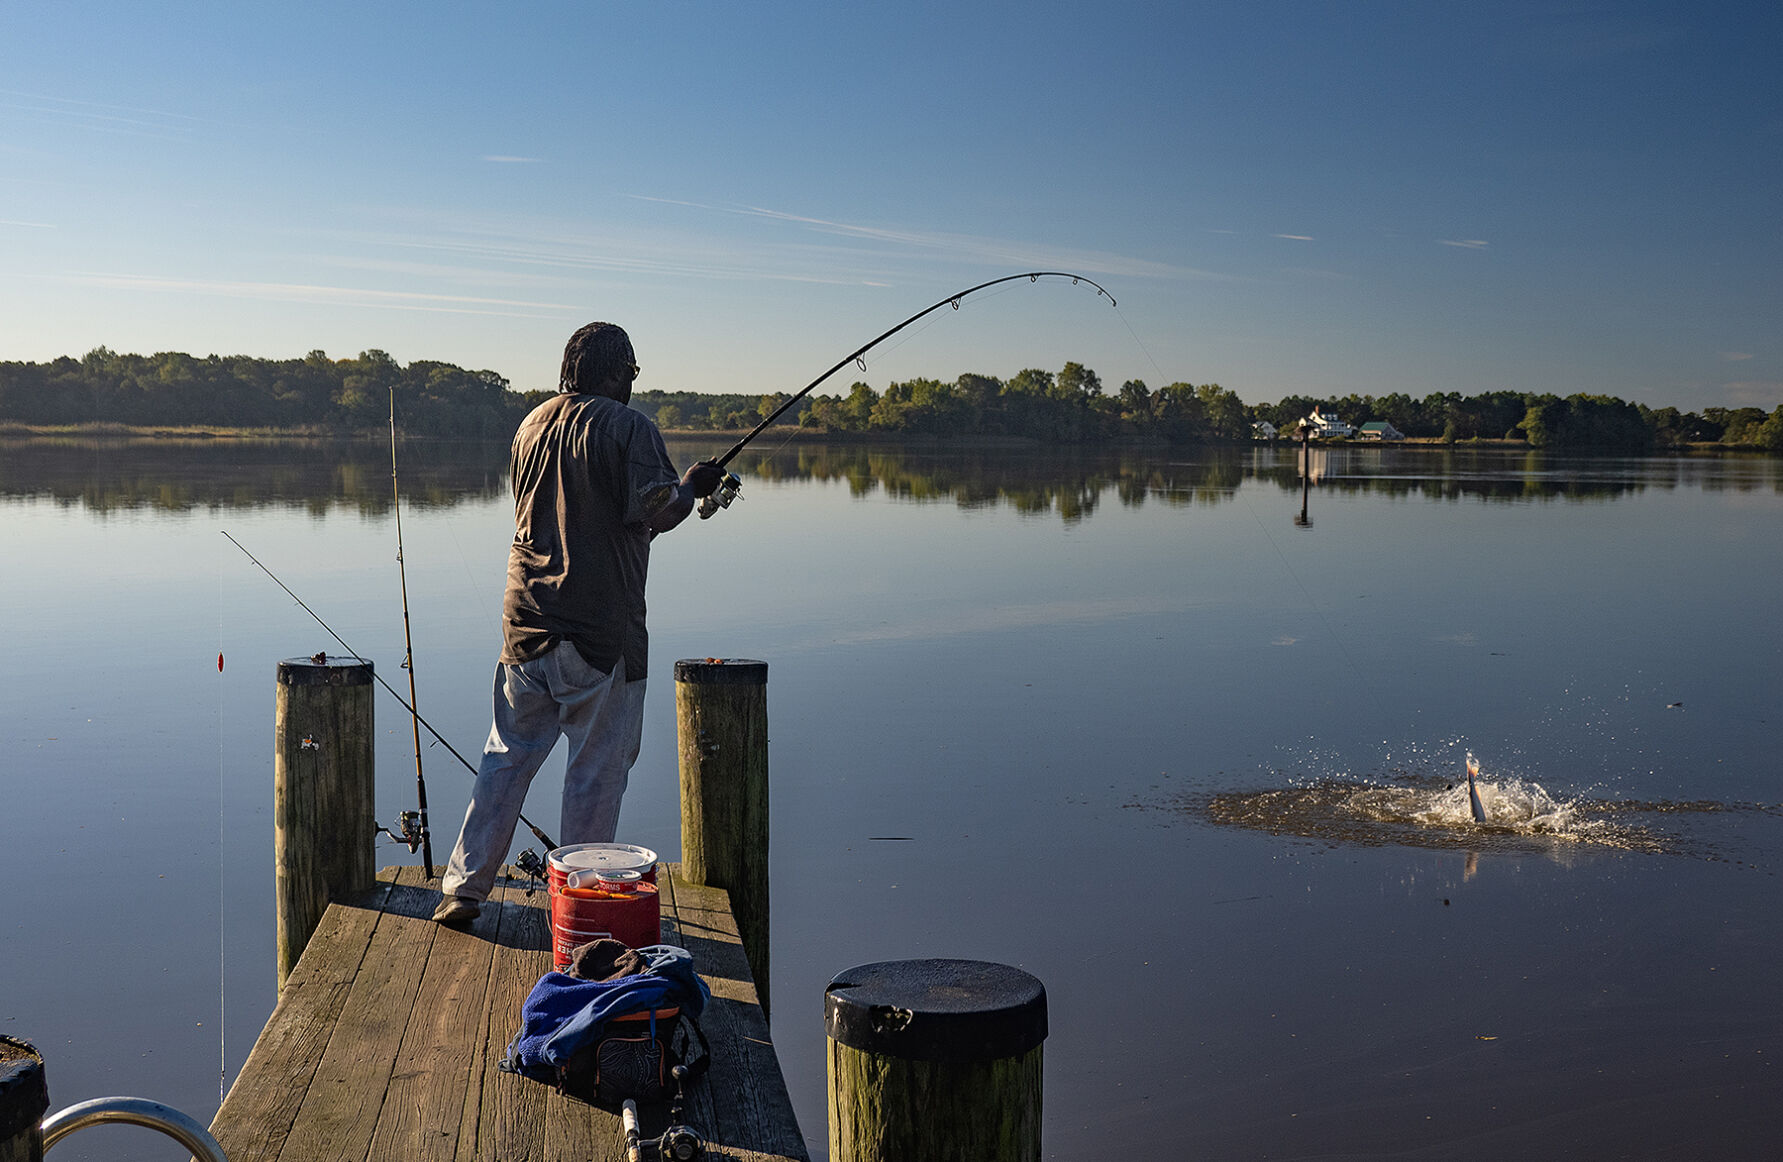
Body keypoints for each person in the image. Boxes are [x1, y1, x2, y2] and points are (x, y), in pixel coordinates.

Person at [434, 322, 722, 925]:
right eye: (632, 371)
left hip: (524, 623)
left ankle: (463, 889)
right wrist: (691, 488)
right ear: (616, 372)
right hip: (598, 632)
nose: (635, 382)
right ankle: (580, 908)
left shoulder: (529, 424)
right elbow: (658, 510)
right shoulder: (630, 427)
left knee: (505, 756)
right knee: (595, 774)